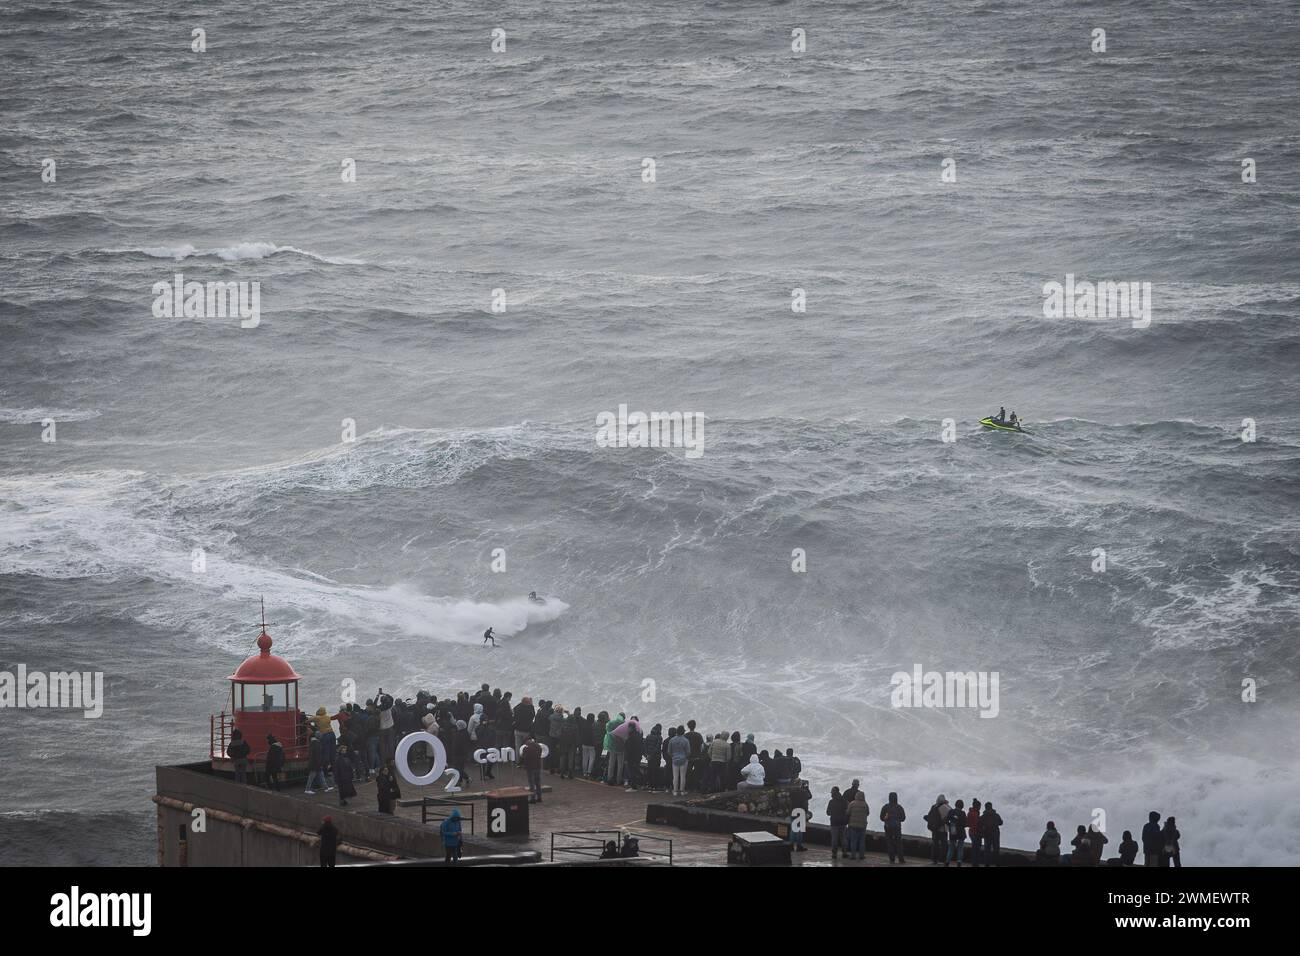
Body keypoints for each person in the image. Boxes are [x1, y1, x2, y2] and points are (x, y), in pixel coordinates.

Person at [880, 791, 907, 864]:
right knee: (899, 843)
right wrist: (897, 819)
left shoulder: (885, 807)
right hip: (897, 827)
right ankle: (901, 859)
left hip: (888, 827)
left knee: (889, 843)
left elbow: (881, 818)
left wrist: (886, 818)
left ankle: (892, 858)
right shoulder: (899, 807)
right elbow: (903, 818)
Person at [926, 794, 950, 865]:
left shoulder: (933, 807)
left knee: (935, 844)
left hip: (935, 828)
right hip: (943, 829)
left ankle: (934, 859)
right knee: (944, 845)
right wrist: (947, 804)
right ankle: (942, 860)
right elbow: (951, 813)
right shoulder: (945, 807)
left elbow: (929, 816)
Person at [846, 791, 869, 860]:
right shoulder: (865, 804)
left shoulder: (852, 803)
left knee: (853, 841)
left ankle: (853, 855)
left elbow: (848, 812)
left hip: (853, 825)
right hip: (862, 825)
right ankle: (861, 855)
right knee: (862, 841)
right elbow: (867, 813)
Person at [667, 727, 691, 795]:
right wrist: (685, 757)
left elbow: (669, 751)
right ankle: (682, 791)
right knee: (683, 776)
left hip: (675, 759)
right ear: (683, 732)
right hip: (683, 759)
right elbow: (688, 752)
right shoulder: (686, 740)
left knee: (675, 776)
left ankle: (675, 791)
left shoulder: (672, 740)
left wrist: (673, 756)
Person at [521, 735, 544, 803]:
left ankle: (532, 798)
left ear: (526, 741)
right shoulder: (538, 746)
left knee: (531, 783)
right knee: (538, 783)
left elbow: (525, 758)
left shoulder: (526, 748)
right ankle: (539, 797)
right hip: (538, 766)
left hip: (530, 768)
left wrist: (523, 765)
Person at [827, 787, 848, 860]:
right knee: (843, 838)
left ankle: (834, 854)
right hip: (843, 822)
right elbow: (847, 811)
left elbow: (828, 812)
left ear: (833, 793)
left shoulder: (831, 802)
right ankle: (844, 853)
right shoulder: (844, 801)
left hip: (834, 822)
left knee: (834, 838)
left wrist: (833, 812)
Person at [946, 798, 967, 866]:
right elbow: (965, 823)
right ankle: (959, 862)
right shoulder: (963, 813)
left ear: (955, 805)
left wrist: (950, 825)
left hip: (953, 830)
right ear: (962, 806)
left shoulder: (951, 811)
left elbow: (946, 820)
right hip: (961, 832)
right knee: (960, 848)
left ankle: (947, 862)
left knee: (951, 847)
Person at [967, 798, 982, 866]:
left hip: (971, 832)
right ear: (977, 806)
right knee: (976, 849)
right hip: (975, 833)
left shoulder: (970, 812)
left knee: (974, 848)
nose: (980, 808)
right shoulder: (975, 814)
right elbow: (976, 824)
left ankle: (974, 863)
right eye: (979, 806)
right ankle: (975, 863)